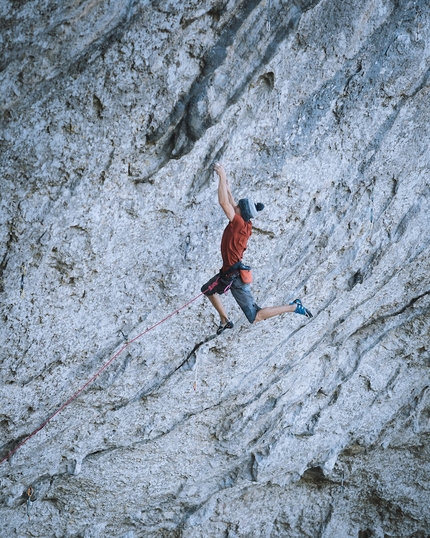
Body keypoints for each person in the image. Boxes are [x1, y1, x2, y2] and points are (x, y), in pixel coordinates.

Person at [201, 162, 313, 334]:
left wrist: (222, 176)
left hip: (235, 278)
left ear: (239, 213)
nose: (234, 207)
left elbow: (224, 203)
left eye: (236, 207)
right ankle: (225, 320)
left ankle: (293, 307)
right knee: (208, 290)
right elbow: (231, 202)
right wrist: (227, 187)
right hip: (230, 272)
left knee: (255, 316)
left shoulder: (238, 224)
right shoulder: (245, 223)